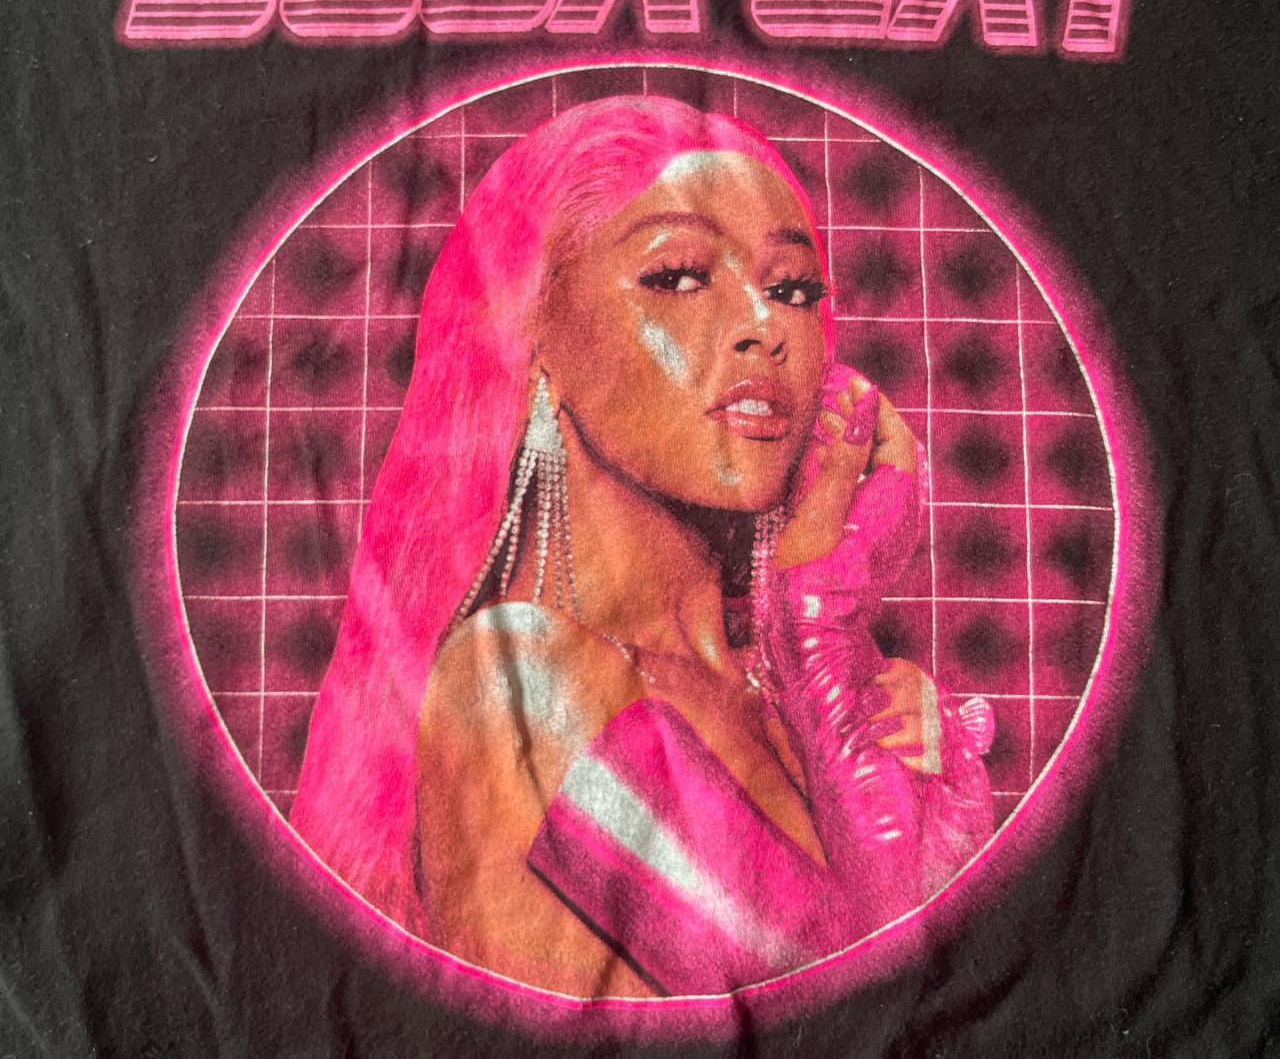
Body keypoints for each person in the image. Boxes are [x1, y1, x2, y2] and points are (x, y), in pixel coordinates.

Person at [291, 95, 994, 998]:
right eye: (677, 277)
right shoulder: (515, 678)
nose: (764, 324)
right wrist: (824, 625)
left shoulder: (795, 685)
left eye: (792, 289)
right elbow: (834, 1003)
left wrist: (832, 670)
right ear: (535, 334)